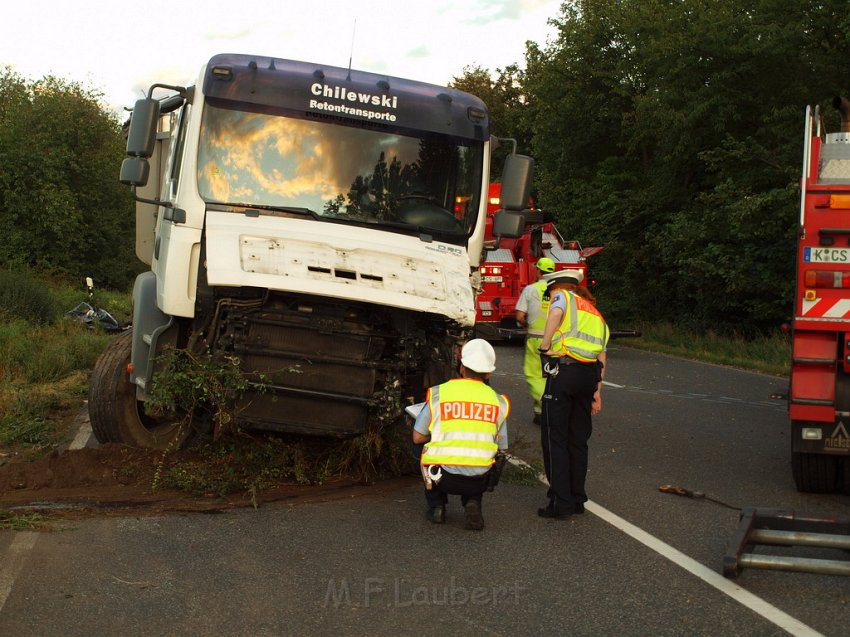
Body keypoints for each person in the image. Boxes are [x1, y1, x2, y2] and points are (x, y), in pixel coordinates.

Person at [412, 339, 510, 530]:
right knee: (486, 455)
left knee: (418, 445)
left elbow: (418, 437)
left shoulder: (439, 394)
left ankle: (436, 506)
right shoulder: (498, 402)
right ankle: (473, 501)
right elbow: (502, 447)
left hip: (443, 477)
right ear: (489, 373)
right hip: (479, 479)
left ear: (462, 367)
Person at [536, 269, 609, 519]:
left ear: (557, 287)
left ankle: (560, 502)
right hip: (589, 377)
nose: (550, 299)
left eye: (549, 294)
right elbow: (602, 356)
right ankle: (577, 498)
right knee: (578, 440)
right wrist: (597, 392)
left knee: (555, 438)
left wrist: (544, 345)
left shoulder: (562, 297)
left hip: (564, 372)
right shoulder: (595, 313)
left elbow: (555, 313)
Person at [515, 257, 556, 424]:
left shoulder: (530, 290)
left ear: (538, 271)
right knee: (550, 375)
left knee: (534, 375)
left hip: (535, 338)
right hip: (556, 340)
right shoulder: (559, 291)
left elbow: (519, 315)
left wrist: (525, 325)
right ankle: (539, 413)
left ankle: (547, 402)